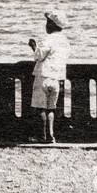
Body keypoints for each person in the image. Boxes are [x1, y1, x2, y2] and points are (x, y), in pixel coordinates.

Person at [29, 10, 71, 144]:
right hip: (57, 78)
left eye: (48, 22)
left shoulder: (48, 39)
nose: (46, 25)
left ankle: (43, 136)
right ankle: (51, 136)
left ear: (52, 25)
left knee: (41, 108)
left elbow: (38, 56)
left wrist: (33, 46)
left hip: (43, 76)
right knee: (51, 109)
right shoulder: (65, 41)